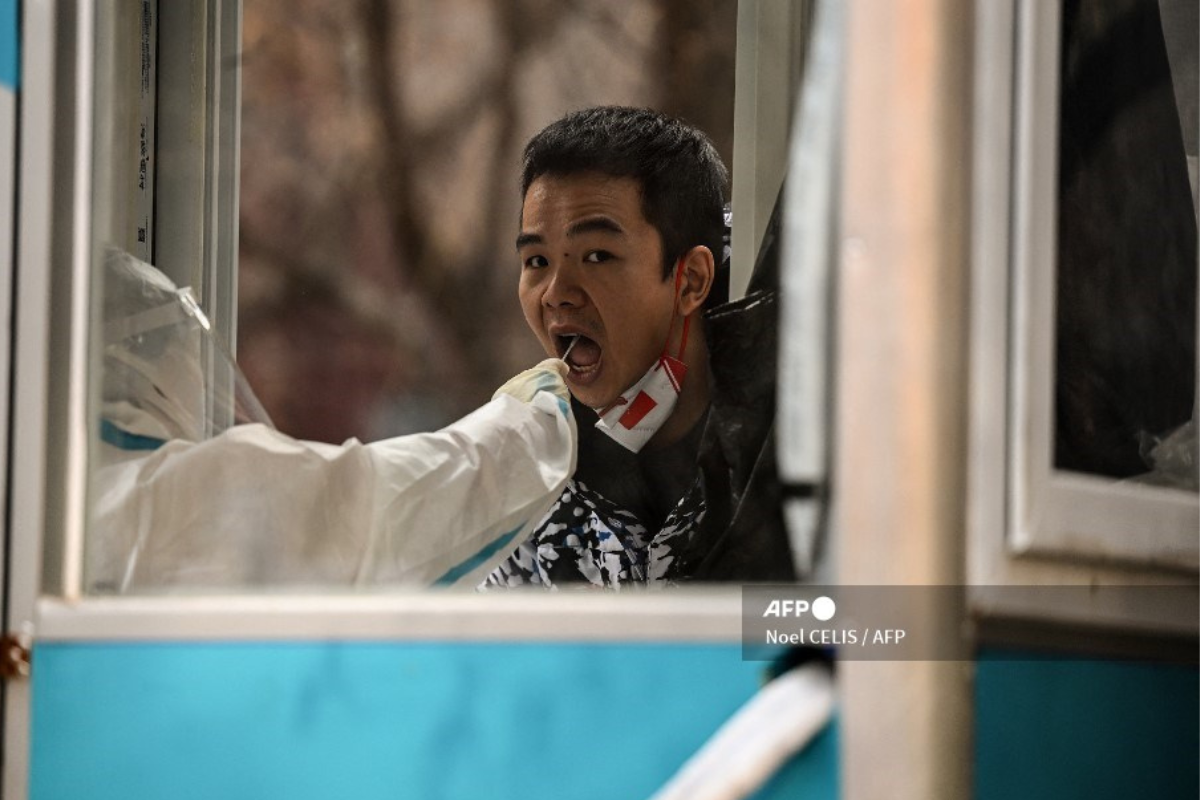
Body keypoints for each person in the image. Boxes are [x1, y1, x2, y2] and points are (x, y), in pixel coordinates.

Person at [485, 106, 796, 589]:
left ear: (690, 279)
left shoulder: (798, 437)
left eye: (597, 256)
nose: (556, 292)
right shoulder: (532, 481)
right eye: (537, 260)